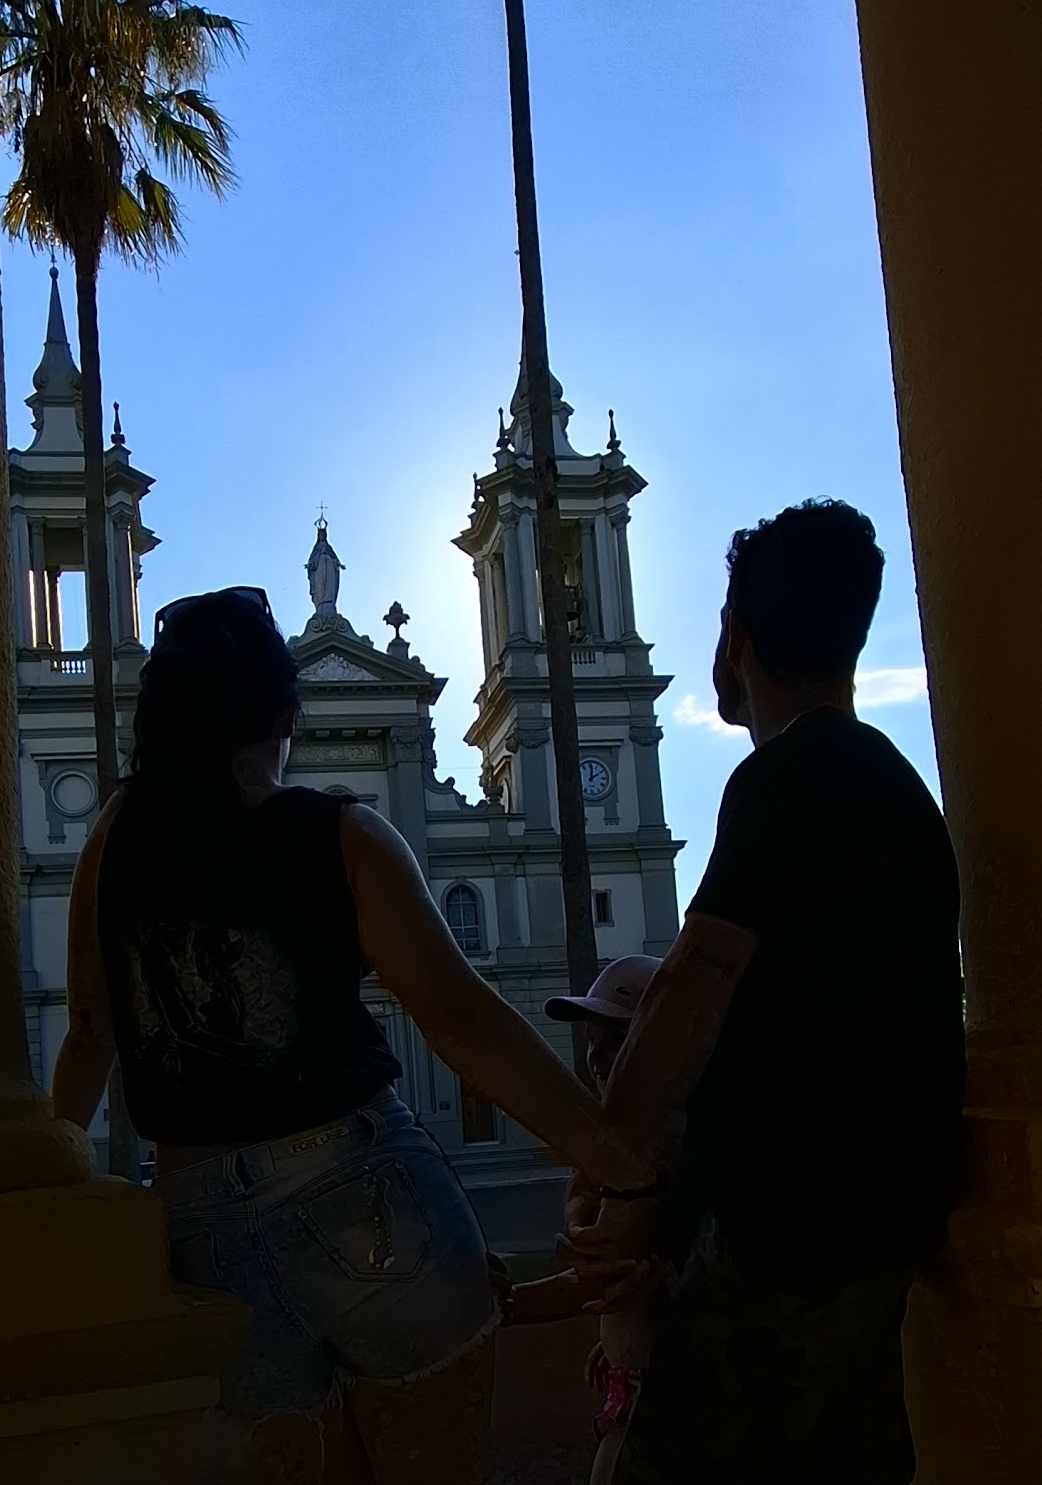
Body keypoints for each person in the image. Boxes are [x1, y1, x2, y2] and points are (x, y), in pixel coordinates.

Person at [52, 586, 648, 1485]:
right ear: (284, 719)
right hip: (371, 1189)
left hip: (202, 1224)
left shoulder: (111, 842)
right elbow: (457, 1017)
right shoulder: (343, 834)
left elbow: (90, 1032)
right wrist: (614, 1158)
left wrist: (50, 1188)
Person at [566, 500, 966, 1485]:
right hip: (882, 1230)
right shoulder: (897, 791)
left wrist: (618, 1175)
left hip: (783, 1239)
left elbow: (692, 984)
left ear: (734, 638)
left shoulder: (785, 780)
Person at [502, 957, 667, 1485]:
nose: (596, 1055)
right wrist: (617, 1338)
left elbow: (606, 1277)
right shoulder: (614, 1141)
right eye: (593, 1039)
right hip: (634, 1372)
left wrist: (503, 1305)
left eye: (618, 1038)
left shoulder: (655, 1153)